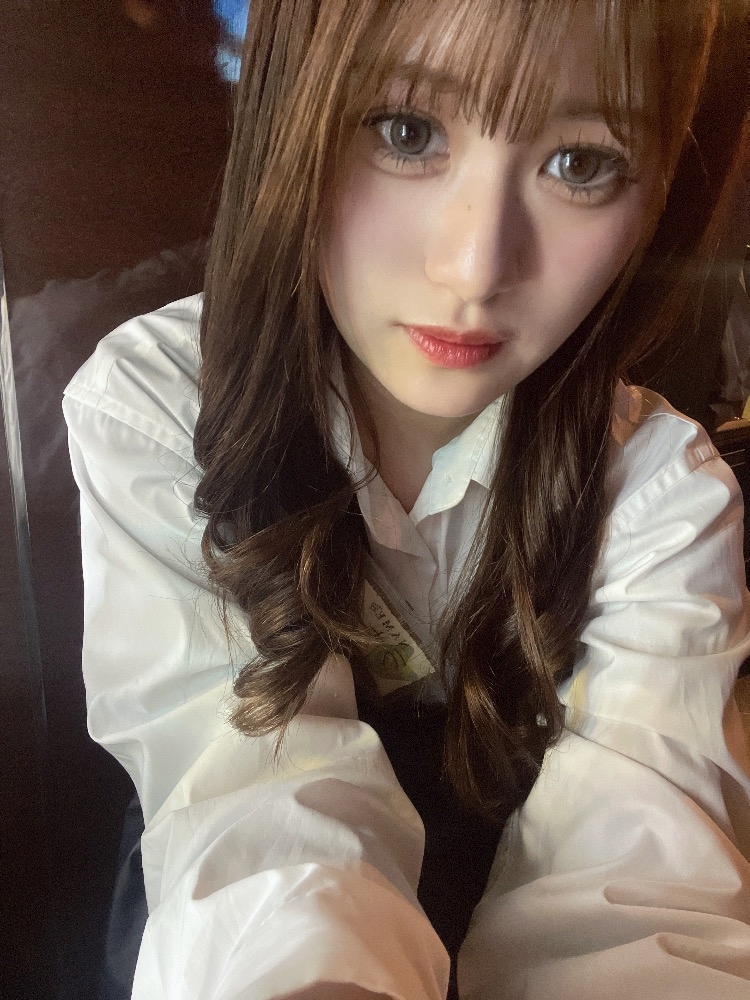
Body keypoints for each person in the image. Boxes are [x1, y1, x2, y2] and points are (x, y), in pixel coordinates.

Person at [63, 1, 750, 997]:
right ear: (289, 118)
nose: (475, 268)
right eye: (407, 131)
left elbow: (640, 896)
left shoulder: (657, 490)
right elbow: (251, 802)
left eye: (581, 162)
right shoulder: (159, 408)